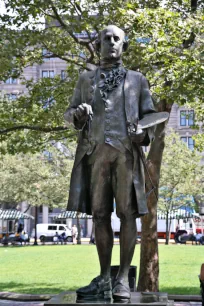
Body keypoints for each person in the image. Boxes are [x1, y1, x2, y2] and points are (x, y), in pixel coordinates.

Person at [64, 25, 156, 301]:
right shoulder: (85, 79)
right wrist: (78, 114)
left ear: (124, 46)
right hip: (95, 155)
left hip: (126, 155)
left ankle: (122, 280)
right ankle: (104, 277)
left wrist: (143, 134)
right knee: (100, 215)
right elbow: (69, 114)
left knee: (128, 214)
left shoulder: (137, 80)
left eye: (117, 39)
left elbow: (150, 116)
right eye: (106, 38)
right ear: (98, 44)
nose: (112, 42)